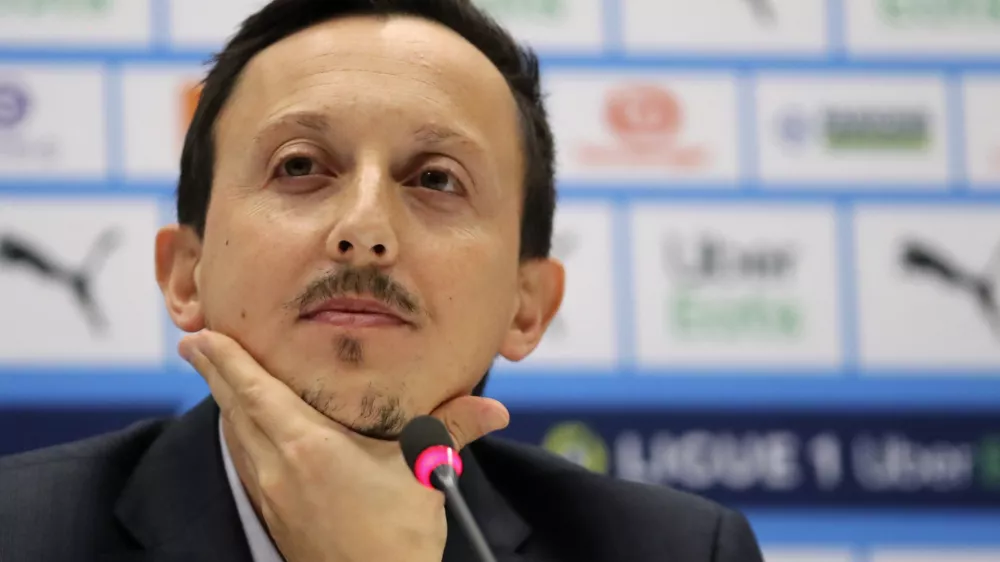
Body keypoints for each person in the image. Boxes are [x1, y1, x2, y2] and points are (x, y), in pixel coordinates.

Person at [0, 1, 765, 561]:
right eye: (300, 165)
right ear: (184, 275)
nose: (365, 229)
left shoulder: (676, 550)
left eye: (436, 179)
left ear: (527, 307)